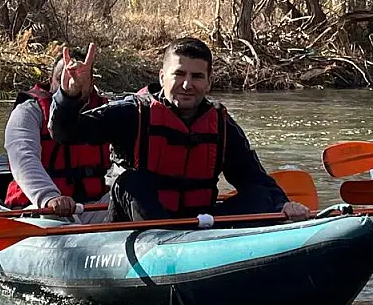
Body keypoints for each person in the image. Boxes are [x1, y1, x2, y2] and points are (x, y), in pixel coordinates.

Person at [50, 38, 311, 224]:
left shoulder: (221, 124)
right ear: (162, 77)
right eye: (179, 74)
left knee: (259, 196)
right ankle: (167, 245)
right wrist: (69, 97)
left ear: (208, 82)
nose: (187, 85)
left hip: (197, 222)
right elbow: (65, 133)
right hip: (138, 225)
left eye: (197, 77)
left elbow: (252, 176)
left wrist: (282, 204)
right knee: (131, 182)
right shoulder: (132, 113)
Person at [3, 51, 112, 219]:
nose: (71, 83)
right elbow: (23, 157)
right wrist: (49, 197)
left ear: (91, 83)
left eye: (80, 77)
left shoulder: (108, 111)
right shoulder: (28, 111)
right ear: (51, 80)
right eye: (62, 77)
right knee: (53, 216)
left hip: (92, 207)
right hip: (43, 209)